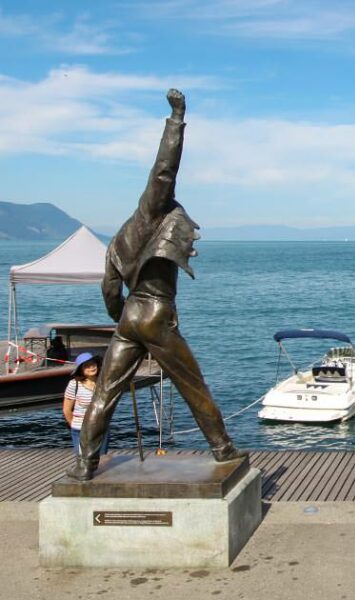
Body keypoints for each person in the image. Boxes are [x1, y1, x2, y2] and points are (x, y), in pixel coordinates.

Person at [67, 89, 245, 481]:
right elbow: (164, 168)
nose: (168, 194)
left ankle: (85, 464)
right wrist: (177, 118)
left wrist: (123, 320)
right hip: (155, 314)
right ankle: (222, 447)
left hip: (129, 317)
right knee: (192, 383)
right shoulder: (153, 211)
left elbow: (110, 290)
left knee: (105, 394)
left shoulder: (117, 240)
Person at [62, 353, 109, 456]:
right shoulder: (74, 384)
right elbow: (66, 410)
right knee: (83, 462)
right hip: (81, 430)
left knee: (102, 461)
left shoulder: (103, 382)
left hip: (101, 429)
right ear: (81, 370)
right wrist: (75, 425)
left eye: (93, 364)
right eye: (86, 366)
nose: (91, 367)